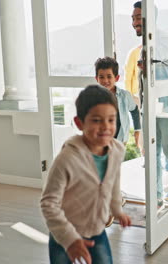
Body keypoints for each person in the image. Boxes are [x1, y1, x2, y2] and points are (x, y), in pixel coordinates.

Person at [41, 85, 131, 264]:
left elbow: (113, 183)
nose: (106, 126)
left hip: (96, 230)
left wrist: (117, 210)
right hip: (64, 235)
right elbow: (48, 204)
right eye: (97, 120)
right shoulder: (67, 159)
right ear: (79, 123)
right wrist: (70, 240)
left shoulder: (117, 150)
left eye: (111, 120)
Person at [132, 1, 168, 207]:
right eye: (133, 18)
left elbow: (155, 60)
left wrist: (145, 62)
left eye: (138, 17)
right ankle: (156, 198)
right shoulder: (142, 46)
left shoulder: (164, 38)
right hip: (150, 107)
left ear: (149, 17)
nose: (134, 22)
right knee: (151, 154)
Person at [94, 56, 141, 148]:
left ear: (117, 78)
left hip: (120, 139)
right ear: (96, 79)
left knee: (116, 161)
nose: (105, 80)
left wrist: (137, 130)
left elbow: (135, 111)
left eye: (109, 76)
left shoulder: (125, 96)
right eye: (101, 77)